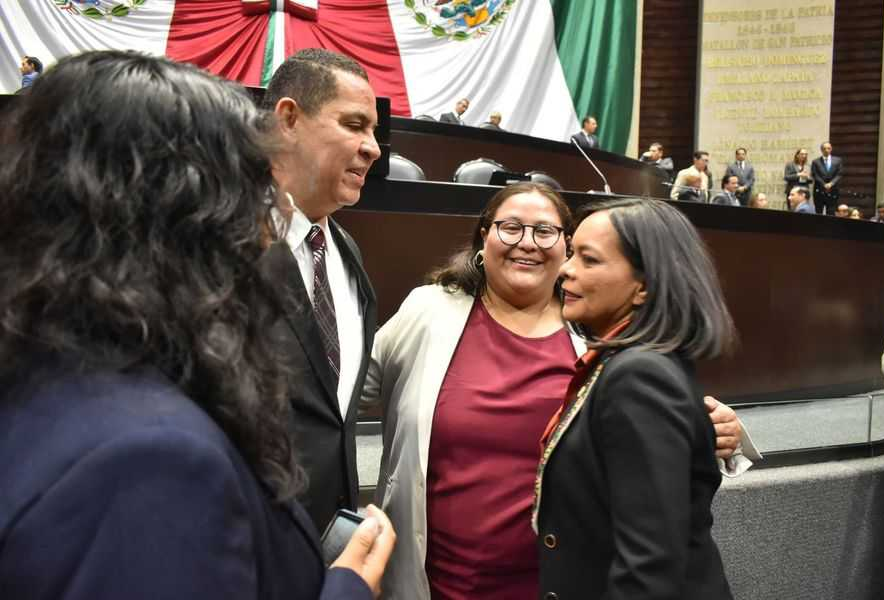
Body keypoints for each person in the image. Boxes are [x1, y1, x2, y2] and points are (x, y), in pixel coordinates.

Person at [0, 50, 393, 600]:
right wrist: (347, 591)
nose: (264, 216)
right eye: (241, 182)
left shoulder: (46, 360)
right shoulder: (150, 457)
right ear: (177, 207)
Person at [363, 182, 757, 600]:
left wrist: (716, 427)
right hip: (441, 582)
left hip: (563, 583)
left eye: (545, 231)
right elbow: (344, 395)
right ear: (484, 235)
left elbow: (651, 446)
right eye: (511, 227)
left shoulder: (598, 332)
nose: (527, 242)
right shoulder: (429, 311)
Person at [535, 197, 736, 599]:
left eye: (589, 259)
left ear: (644, 286)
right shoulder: (626, 362)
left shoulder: (639, 375)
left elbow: (649, 566)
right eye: (571, 253)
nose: (566, 269)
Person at [259, 48, 381, 534]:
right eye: (354, 125)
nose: (373, 148)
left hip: (328, 542)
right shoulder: (218, 243)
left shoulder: (348, 252)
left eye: (373, 131)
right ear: (289, 119)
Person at [811, 141, 843, 215]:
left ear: (831, 149)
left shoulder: (838, 160)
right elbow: (815, 174)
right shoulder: (816, 161)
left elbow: (839, 174)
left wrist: (831, 183)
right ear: (821, 150)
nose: (826, 150)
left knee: (831, 213)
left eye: (828, 148)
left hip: (833, 189)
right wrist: (824, 184)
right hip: (819, 190)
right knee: (818, 212)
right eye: (824, 148)